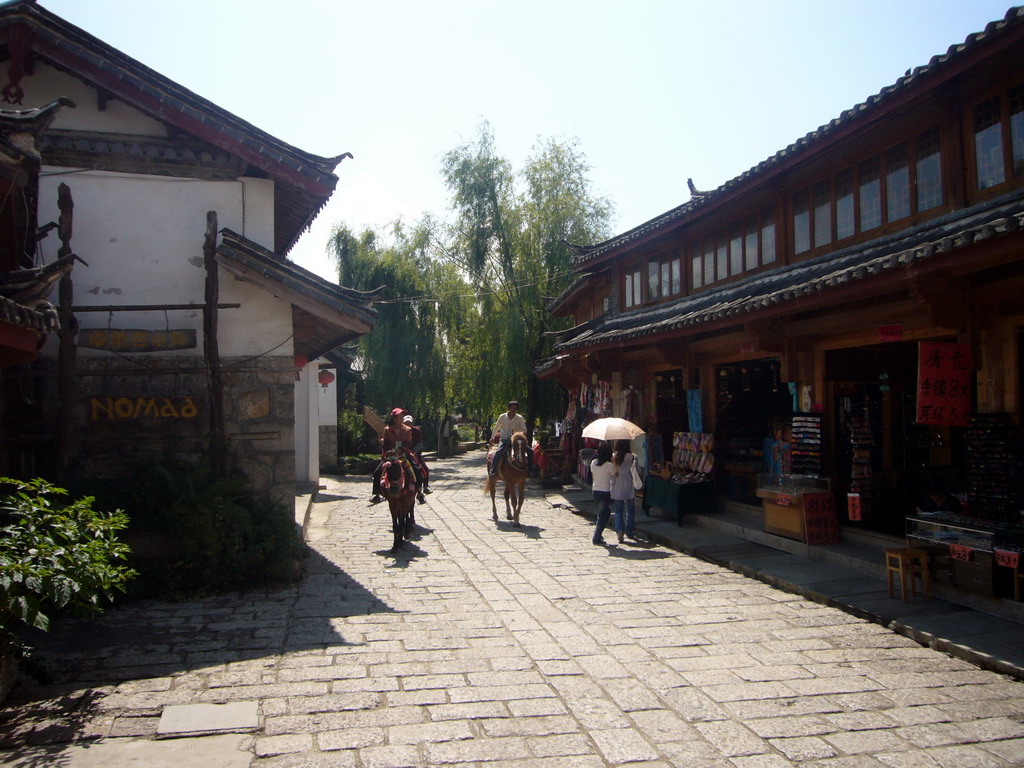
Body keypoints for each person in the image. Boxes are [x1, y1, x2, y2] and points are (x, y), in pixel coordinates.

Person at [370, 408, 414, 504]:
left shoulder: (408, 430)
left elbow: (407, 443)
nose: (401, 418)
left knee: (416, 469)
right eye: (400, 416)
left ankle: (419, 491)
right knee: (377, 472)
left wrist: (401, 449)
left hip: (403, 455)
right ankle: (376, 493)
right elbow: (385, 444)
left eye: (402, 416)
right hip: (391, 456)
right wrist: (389, 452)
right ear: (395, 418)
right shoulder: (388, 430)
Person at [489, 400, 529, 477]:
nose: (513, 410)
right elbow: (496, 427)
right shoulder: (502, 416)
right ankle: (493, 470)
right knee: (498, 452)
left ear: (516, 409)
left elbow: (524, 429)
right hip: (504, 438)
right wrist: (492, 438)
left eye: (515, 408)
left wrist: (521, 434)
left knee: (530, 451)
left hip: (516, 439)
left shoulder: (519, 418)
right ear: (509, 408)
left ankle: (529, 469)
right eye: (511, 408)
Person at [611, 439, 638, 543]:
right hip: (629, 484)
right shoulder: (633, 457)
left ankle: (619, 530)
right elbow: (637, 471)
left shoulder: (614, 457)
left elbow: (613, 472)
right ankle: (630, 531)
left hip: (618, 484)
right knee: (630, 510)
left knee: (618, 510)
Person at [590, 442, 617, 545]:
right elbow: (616, 474)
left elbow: (593, 477)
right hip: (605, 492)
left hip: (595, 491)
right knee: (604, 515)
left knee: (603, 512)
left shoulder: (593, 463)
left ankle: (599, 534)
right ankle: (596, 537)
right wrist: (614, 461)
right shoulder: (609, 465)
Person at [403, 413, 430, 502]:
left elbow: (419, 443)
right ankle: (378, 492)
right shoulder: (400, 430)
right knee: (381, 470)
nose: (408, 424)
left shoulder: (416, 431)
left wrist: (413, 451)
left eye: (409, 423)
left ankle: (423, 488)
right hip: (401, 454)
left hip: (414, 454)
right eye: (406, 423)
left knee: (422, 469)